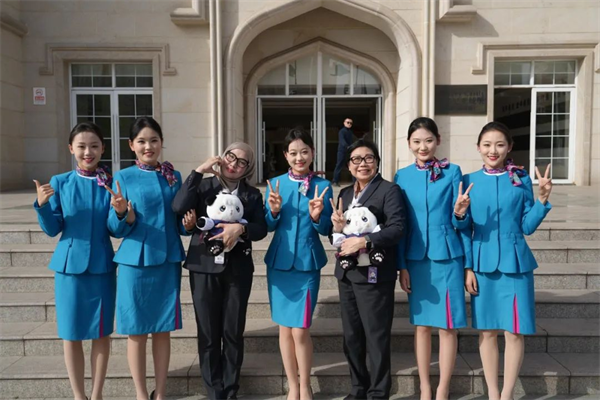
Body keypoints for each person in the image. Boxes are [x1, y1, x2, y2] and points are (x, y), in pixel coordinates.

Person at [462, 121, 553, 400]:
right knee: (487, 332)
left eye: (500, 144)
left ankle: (507, 394)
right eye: (487, 144)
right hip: (482, 265)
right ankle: (492, 392)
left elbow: (527, 226)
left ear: (509, 147)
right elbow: (463, 228)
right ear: (478, 147)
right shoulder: (467, 180)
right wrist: (467, 267)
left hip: (516, 264)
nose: (493, 150)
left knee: (515, 332)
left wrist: (542, 200)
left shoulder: (521, 179)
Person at [172, 142, 268, 400]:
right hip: (204, 267)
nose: (234, 164)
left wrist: (242, 229)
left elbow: (261, 228)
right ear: (222, 157)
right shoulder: (203, 187)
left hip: (238, 270)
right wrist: (199, 171)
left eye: (242, 162)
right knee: (208, 332)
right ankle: (214, 392)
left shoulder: (252, 195)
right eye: (230, 157)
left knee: (233, 331)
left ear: (248, 168)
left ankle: (231, 390)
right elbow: (178, 206)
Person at [33, 122, 116, 400]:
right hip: (69, 269)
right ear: (71, 149)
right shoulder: (60, 182)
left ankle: (97, 394)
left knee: (102, 333)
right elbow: (52, 228)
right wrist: (43, 205)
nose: (88, 152)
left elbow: (116, 229)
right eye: (81, 146)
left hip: (102, 267)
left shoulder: (110, 184)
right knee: (71, 334)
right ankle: (79, 396)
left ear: (103, 148)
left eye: (94, 146)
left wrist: (121, 212)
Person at [107, 116, 187, 400]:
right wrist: (122, 214)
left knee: (163, 329)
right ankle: (141, 394)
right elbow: (114, 229)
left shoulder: (173, 177)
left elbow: (179, 223)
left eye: (154, 140)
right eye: (141, 141)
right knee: (137, 331)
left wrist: (188, 225)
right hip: (135, 263)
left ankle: (161, 392)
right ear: (131, 145)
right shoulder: (122, 177)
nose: (148, 146)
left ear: (162, 143)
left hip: (167, 260)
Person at [394, 117, 471, 400]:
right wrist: (401, 266)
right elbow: (400, 225)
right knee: (422, 326)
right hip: (415, 258)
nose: (423, 146)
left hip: (448, 256)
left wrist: (460, 213)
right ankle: (425, 386)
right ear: (408, 144)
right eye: (416, 141)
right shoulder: (402, 176)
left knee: (448, 326)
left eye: (428, 140)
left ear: (438, 140)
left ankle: (443, 388)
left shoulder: (453, 172)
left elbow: (463, 222)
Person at [330, 139, 405, 400]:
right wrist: (336, 228)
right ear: (349, 165)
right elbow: (337, 232)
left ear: (377, 162)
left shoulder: (389, 190)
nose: (362, 164)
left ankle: (378, 392)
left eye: (368, 158)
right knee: (351, 337)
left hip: (375, 274)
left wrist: (366, 241)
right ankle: (358, 389)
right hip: (347, 273)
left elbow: (397, 228)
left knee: (376, 336)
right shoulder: (344, 194)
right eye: (356, 159)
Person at [264, 127, 333, 400]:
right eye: (293, 153)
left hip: (307, 263)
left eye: (304, 151)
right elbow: (268, 226)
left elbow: (327, 229)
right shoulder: (275, 184)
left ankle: (305, 384)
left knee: (301, 329)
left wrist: (317, 216)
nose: (299, 157)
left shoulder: (323, 186)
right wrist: (273, 211)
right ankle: (293, 386)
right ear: (285, 155)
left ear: (313, 153)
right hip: (279, 263)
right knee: (284, 328)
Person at [333, 118, 354, 186]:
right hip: (342, 151)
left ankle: (355, 181)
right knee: (339, 165)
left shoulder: (350, 132)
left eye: (351, 123)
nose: (349, 124)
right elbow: (342, 141)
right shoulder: (342, 131)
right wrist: (347, 146)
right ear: (344, 123)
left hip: (349, 151)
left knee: (352, 165)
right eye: (348, 122)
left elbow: (352, 141)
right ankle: (335, 181)